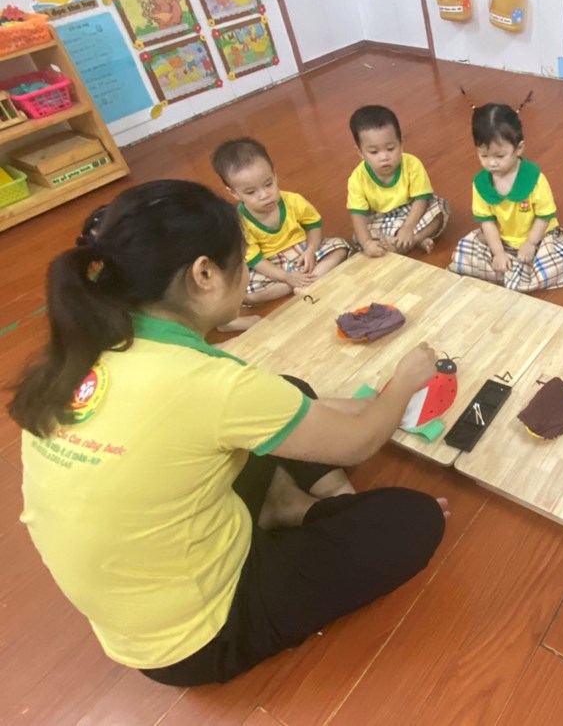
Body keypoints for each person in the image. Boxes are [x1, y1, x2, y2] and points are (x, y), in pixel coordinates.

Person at [11, 180, 448, 686]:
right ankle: (303, 510)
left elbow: (261, 408)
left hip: (136, 605)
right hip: (197, 639)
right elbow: (359, 443)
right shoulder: (212, 384)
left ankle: (285, 506)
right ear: (204, 274)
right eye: (243, 262)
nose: (246, 273)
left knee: (286, 392)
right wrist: (405, 381)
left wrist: (367, 407)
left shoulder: (77, 353)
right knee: (414, 519)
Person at [447, 102, 563, 292]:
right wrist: (498, 252)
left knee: (554, 263)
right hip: (502, 241)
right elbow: (487, 222)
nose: (491, 163)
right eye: (484, 155)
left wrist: (530, 243)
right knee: (463, 252)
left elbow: (544, 216)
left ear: (519, 148)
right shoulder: (480, 183)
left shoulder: (534, 178)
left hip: (539, 238)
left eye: (499, 156)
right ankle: (517, 273)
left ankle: (512, 273)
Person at [212, 137, 350, 312]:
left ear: (275, 175)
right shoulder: (239, 222)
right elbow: (256, 260)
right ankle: (302, 281)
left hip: (302, 251)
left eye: (268, 184)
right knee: (245, 291)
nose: (264, 195)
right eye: (251, 192)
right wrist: (285, 276)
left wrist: (310, 250)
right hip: (271, 265)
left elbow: (313, 225)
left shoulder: (293, 200)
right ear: (234, 193)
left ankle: (309, 279)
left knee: (339, 246)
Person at [347, 105, 450, 257]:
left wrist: (408, 228)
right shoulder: (357, 178)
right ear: (360, 152)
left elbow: (421, 199)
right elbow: (358, 215)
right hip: (380, 218)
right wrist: (367, 243)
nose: (384, 157)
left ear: (401, 144)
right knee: (360, 235)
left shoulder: (412, 164)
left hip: (412, 211)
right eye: (374, 152)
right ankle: (409, 242)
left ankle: (411, 240)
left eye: (390, 148)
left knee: (440, 208)